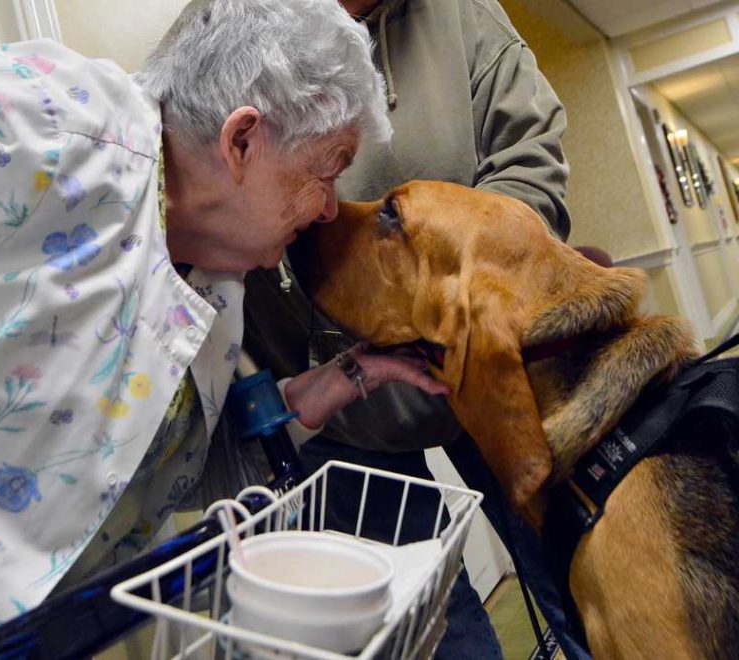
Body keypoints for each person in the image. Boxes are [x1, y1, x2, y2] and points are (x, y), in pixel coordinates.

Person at [0, 1, 451, 657]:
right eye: (327, 172)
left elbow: (146, 487)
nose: (328, 209)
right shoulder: (55, 125)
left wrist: (325, 389)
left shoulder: (216, 289)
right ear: (242, 142)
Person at [243, 0, 591, 658]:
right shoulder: (225, 25)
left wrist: (435, 306)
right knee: (423, 631)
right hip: (327, 410)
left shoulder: (466, 15)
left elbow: (532, 166)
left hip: (480, 368)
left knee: (575, 587)